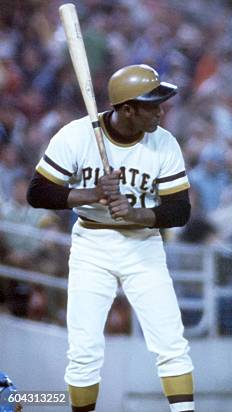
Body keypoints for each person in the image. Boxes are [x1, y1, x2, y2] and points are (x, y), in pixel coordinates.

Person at [27, 64, 195, 412]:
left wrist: (137, 214)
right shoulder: (77, 135)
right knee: (84, 350)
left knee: (171, 344)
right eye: (153, 105)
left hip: (143, 246)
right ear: (127, 109)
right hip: (91, 244)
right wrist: (90, 194)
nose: (161, 111)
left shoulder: (164, 143)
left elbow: (180, 210)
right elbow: (38, 193)